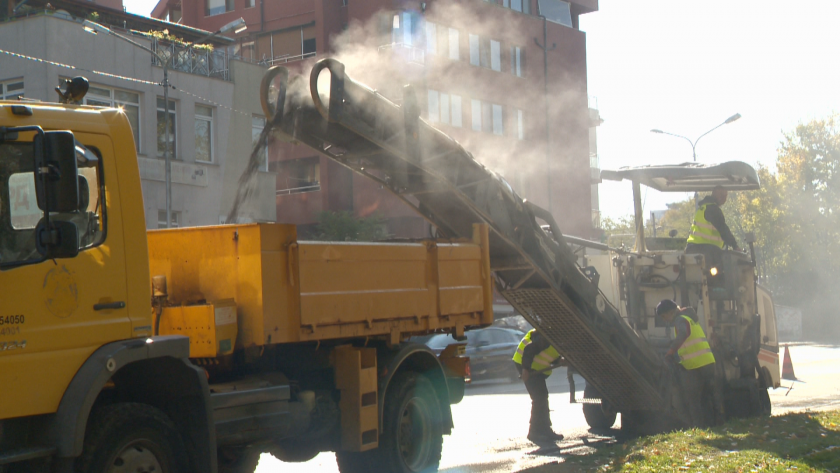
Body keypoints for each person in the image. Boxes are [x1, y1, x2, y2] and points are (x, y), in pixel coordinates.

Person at [656, 299, 724, 428]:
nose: (665, 320)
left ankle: (698, 427)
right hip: (707, 361)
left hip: (695, 365)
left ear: (671, 312)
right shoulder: (689, 317)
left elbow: (684, 333)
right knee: (710, 395)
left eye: (664, 316)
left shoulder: (680, 319)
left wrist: (671, 352)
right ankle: (718, 423)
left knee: (693, 399)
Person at [512, 329, 564, 443]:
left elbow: (549, 353)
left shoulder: (554, 337)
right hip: (526, 364)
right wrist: (525, 369)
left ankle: (545, 430)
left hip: (533, 366)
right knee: (539, 398)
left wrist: (559, 361)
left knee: (542, 397)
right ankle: (534, 432)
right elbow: (530, 349)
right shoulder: (547, 335)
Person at [685, 186, 740, 271]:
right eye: (721, 195)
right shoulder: (712, 209)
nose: (724, 199)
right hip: (707, 251)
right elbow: (723, 229)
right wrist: (735, 245)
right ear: (714, 194)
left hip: (692, 249)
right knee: (725, 273)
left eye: (726, 196)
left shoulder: (703, 208)